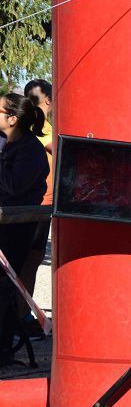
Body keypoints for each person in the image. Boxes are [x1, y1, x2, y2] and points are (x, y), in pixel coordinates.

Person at [0, 94, 49, 353]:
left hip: (17, 227)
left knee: (5, 286)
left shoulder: (30, 150)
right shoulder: (4, 142)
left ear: (12, 119)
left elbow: (15, 186)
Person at [18, 80, 54, 330]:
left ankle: (21, 316)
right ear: (49, 100)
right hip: (38, 205)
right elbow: (62, 148)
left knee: (27, 261)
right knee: (28, 263)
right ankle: (20, 318)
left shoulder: (28, 123)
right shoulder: (39, 125)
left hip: (39, 204)